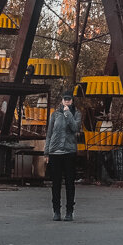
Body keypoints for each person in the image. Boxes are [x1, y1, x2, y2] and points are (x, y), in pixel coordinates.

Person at [44, 89, 81, 221]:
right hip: (55, 152)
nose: (66, 101)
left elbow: (75, 128)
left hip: (69, 152)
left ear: (72, 100)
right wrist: (46, 152)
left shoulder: (76, 114)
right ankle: (56, 211)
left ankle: (69, 211)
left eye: (69, 99)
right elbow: (49, 134)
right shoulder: (54, 115)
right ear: (61, 100)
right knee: (56, 183)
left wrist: (67, 114)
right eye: (65, 99)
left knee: (70, 183)